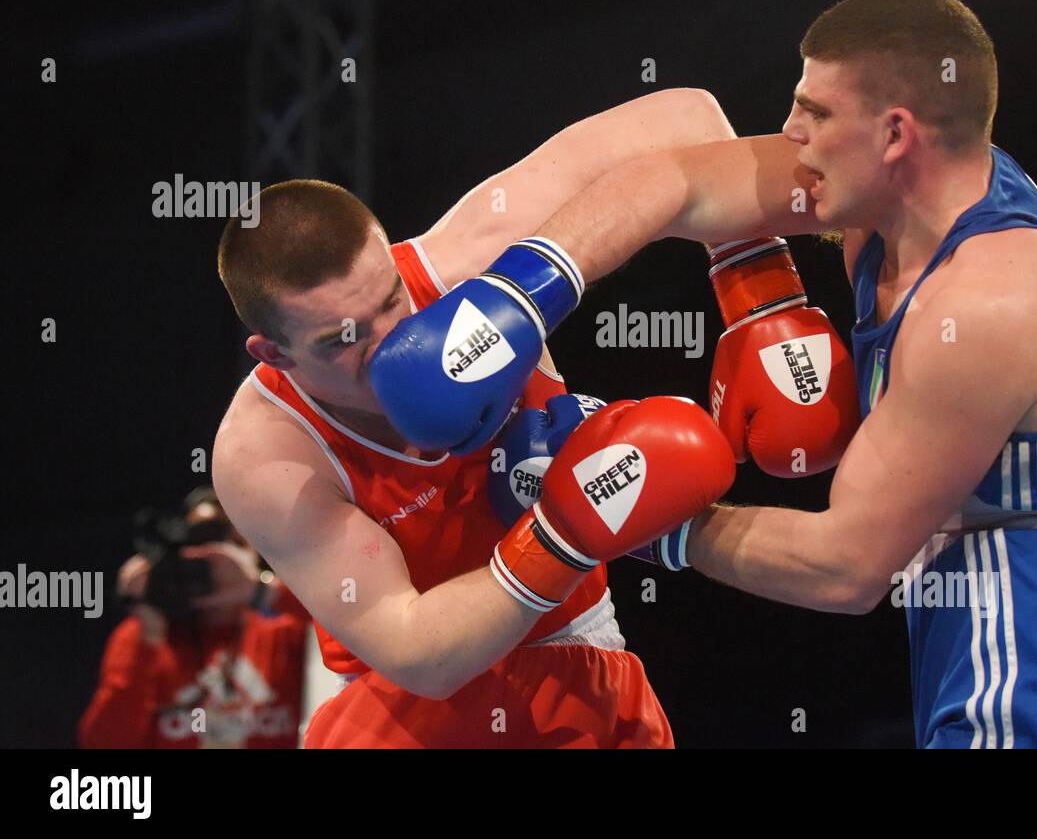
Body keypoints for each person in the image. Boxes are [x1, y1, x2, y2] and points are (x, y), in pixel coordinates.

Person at [412, 0, 1037, 748]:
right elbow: (674, 174)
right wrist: (519, 296)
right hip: (1005, 625)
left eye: (814, 113)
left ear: (894, 133)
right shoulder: (903, 195)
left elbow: (846, 569)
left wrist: (623, 503)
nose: (790, 132)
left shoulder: (986, 300)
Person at [211, 90, 737, 748]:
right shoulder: (267, 454)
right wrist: (568, 525)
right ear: (272, 354)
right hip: (403, 717)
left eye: (391, 300)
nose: (390, 344)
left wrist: (756, 289)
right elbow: (420, 654)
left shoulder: (467, 264)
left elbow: (686, 118)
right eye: (342, 340)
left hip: (580, 666)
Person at [79, 489, 309, 748]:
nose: (217, 559)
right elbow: (104, 744)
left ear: (254, 553)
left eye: (234, 543)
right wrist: (147, 630)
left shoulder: (287, 634)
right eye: (199, 545)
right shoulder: (144, 637)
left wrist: (263, 590)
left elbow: (347, 627)